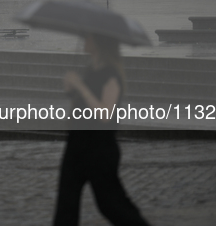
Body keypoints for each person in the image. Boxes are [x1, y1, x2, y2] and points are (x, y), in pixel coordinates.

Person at [53, 33, 150, 226]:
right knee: (66, 207)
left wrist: (80, 86)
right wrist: (70, 87)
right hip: (77, 147)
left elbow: (105, 114)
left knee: (111, 205)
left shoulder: (112, 75)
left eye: (88, 37)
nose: (84, 40)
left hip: (99, 150)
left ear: (98, 43)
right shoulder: (91, 70)